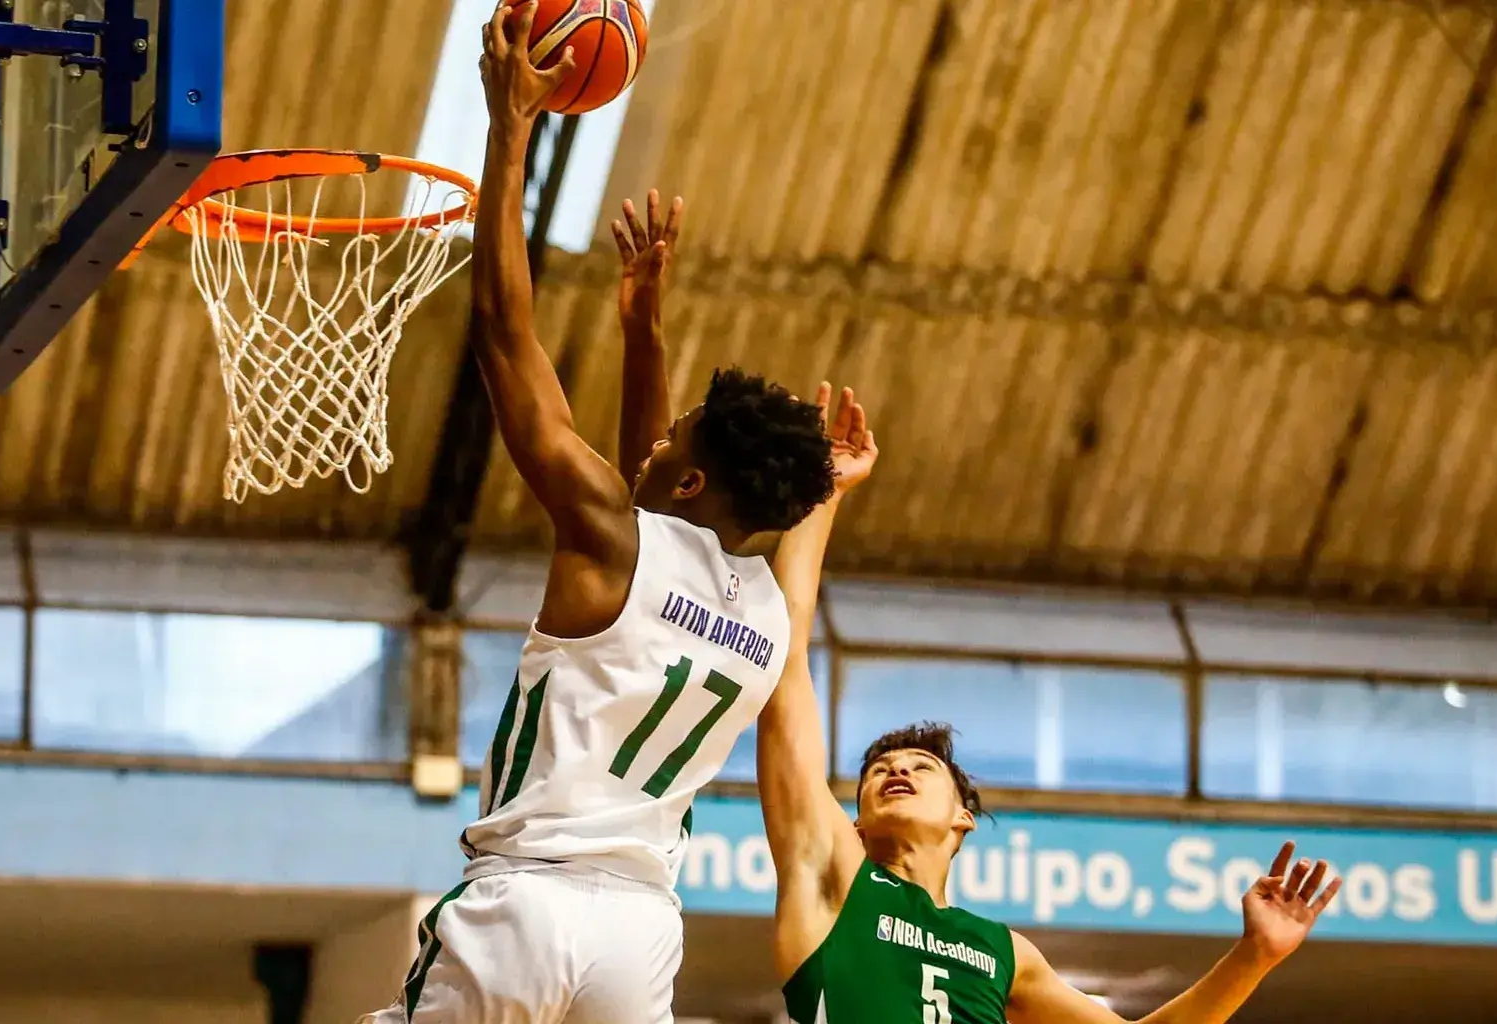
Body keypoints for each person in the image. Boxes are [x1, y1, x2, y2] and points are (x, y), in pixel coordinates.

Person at [363, 6, 837, 1023]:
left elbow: (503, 337)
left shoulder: (614, 538)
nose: (659, 442)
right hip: (640, 933)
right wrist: (642, 328)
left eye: (678, 438)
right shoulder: (762, 615)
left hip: (526, 901)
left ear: (692, 481)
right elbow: (656, 492)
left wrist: (509, 128)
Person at [761, 394, 1343, 1023]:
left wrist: (1253, 955)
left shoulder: (1003, 953)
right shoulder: (833, 873)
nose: (896, 770)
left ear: (964, 820)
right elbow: (785, 661)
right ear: (855, 824)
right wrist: (822, 494)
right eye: (879, 771)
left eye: (922, 767)